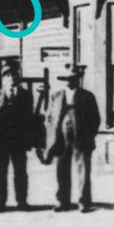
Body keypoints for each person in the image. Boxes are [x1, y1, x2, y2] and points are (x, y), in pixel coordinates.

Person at [41, 65, 100, 213]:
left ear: (78, 80)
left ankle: (84, 202)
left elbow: (95, 119)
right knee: (61, 169)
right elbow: (49, 118)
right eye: (66, 79)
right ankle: (63, 201)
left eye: (72, 79)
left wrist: (89, 135)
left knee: (83, 170)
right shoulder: (56, 96)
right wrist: (51, 138)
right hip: (60, 138)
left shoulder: (87, 96)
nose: (69, 82)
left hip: (81, 138)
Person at [0, 62, 36, 211]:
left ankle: (22, 201)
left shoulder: (26, 95)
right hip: (0, 141)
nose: (11, 78)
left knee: (20, 172)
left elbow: (29, 119)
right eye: (7, 75)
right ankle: (0, 203)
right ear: (3, 78)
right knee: (0, 172)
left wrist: (29, 140)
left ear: (18, 76)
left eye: (14, 75)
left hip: (18, 140)